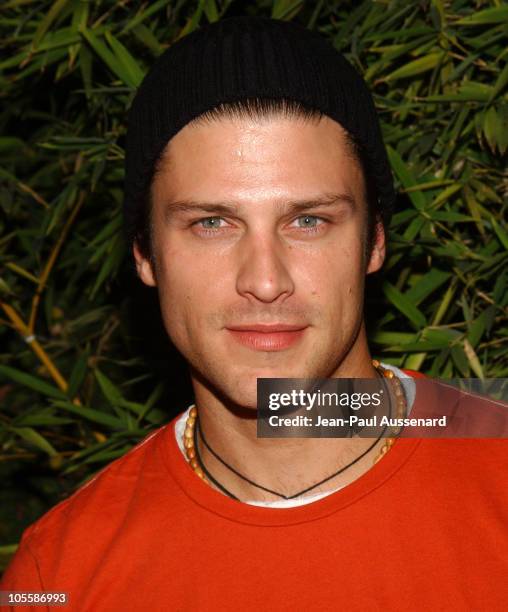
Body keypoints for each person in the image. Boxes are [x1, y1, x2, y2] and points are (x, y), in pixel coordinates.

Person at [1, 16, 507, 611]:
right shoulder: (61, 572)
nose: (265, 281)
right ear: (145, 254)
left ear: (374, 242)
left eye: (308, 221)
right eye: (212, 223)